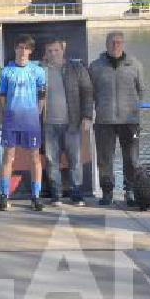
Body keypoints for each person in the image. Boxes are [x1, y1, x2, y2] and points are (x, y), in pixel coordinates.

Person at [89, 31, 144, 207]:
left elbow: (141, 90)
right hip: (104, 121)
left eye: (119, 42)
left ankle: (130, 191)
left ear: (124, 44)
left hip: (130, 122)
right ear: (106, 44)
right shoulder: (96, 66)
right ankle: (107, 192)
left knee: (132, 159)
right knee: (105, 159)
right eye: (112, 42)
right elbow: (91, 92)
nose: (116, 45)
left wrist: (132, 109)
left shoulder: (135, 65)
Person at [0, 34, 47, 211]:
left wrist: (36, 113)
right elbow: (1, 97)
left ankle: (36, 196)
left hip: (31, 121)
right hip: (11, 120)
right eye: (20, 47)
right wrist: (5, 115)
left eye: (26, 48)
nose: (22, 51)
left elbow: (42, 95)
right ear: (15, 49)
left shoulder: (38, 71)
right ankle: (4, 196)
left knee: (35, 158)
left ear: (31, 51)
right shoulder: (6, 71)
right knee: (8, 157)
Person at [42, 37, 93, 206]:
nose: (53, 53)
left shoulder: (76, 68)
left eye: (56, 50)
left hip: (72, 123)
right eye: (49, 51)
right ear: (45, 53)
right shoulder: (40, 70)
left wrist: (87, 116)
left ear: (63, 50)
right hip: (48, 124)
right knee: (51, 161)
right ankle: (56, 195)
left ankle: (76, 193)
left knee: (75, 160)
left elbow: (87, 92)